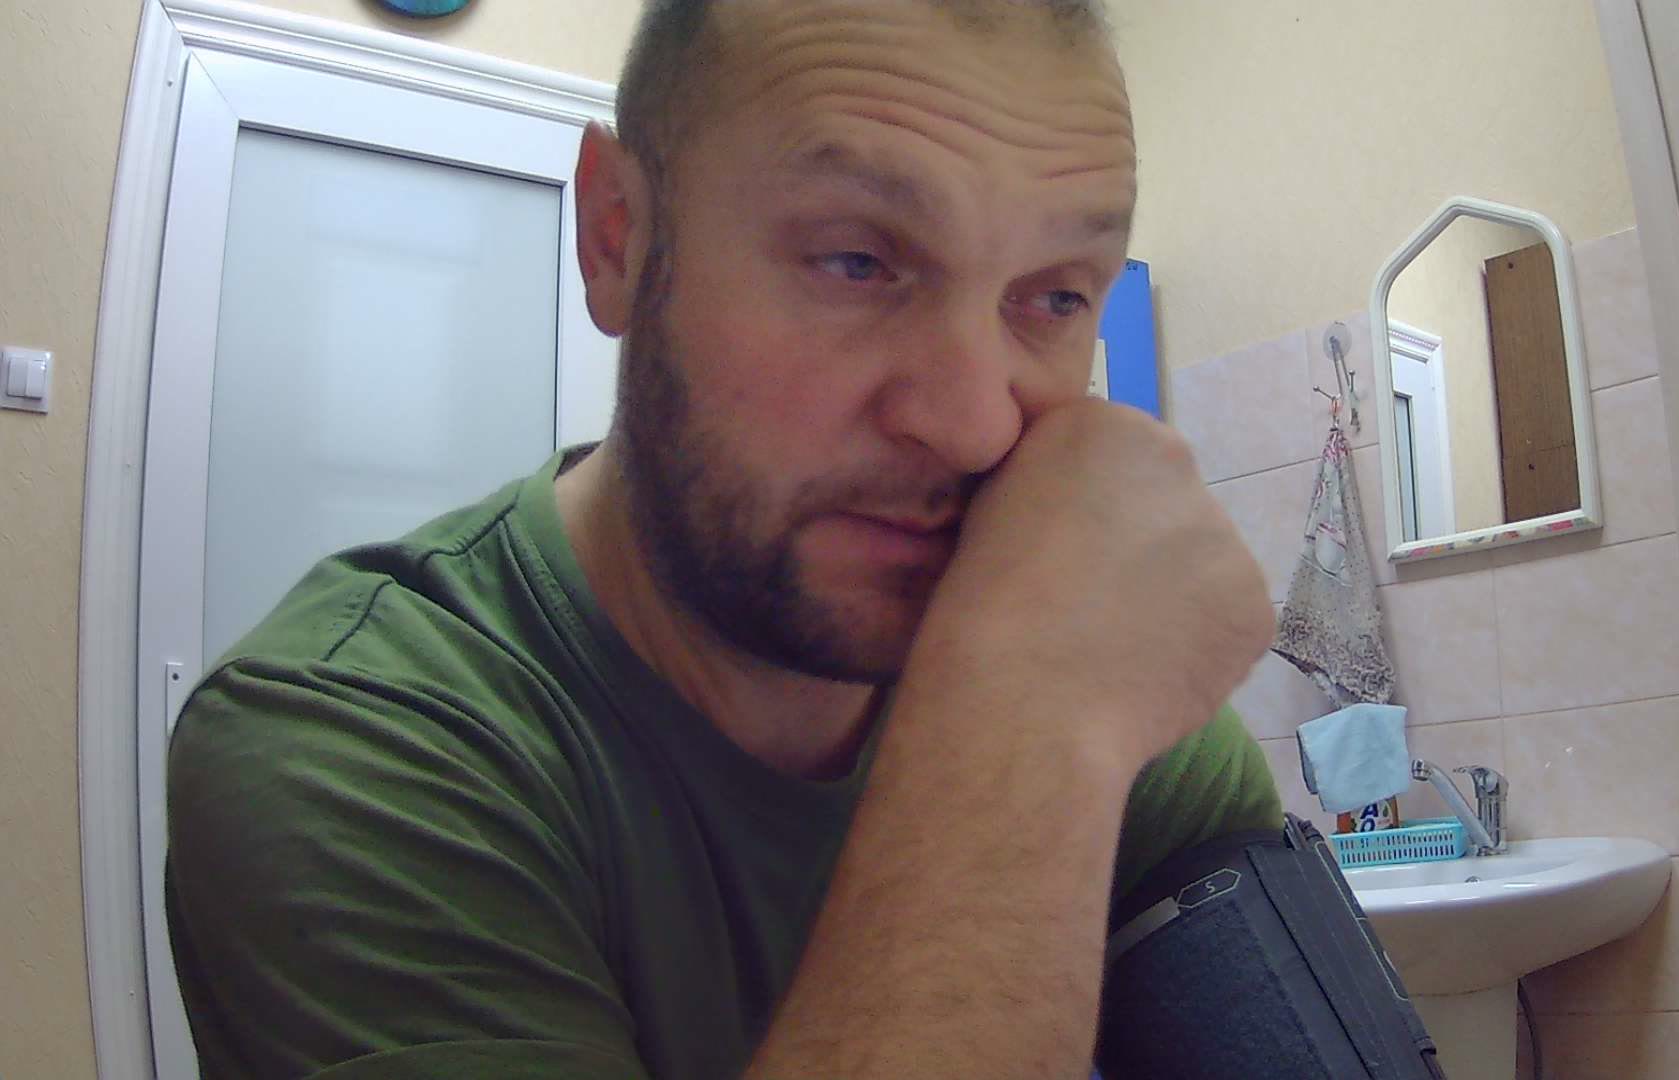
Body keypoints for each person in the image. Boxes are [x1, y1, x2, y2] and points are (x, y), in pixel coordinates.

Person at [165, 1, 1282, 1076]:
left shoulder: (1091, 705)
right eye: (856, 262)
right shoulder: (357, 746)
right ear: (617, 238)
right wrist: (1026, 733)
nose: (973, 423)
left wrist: (1046, 713)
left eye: (1055, 299)